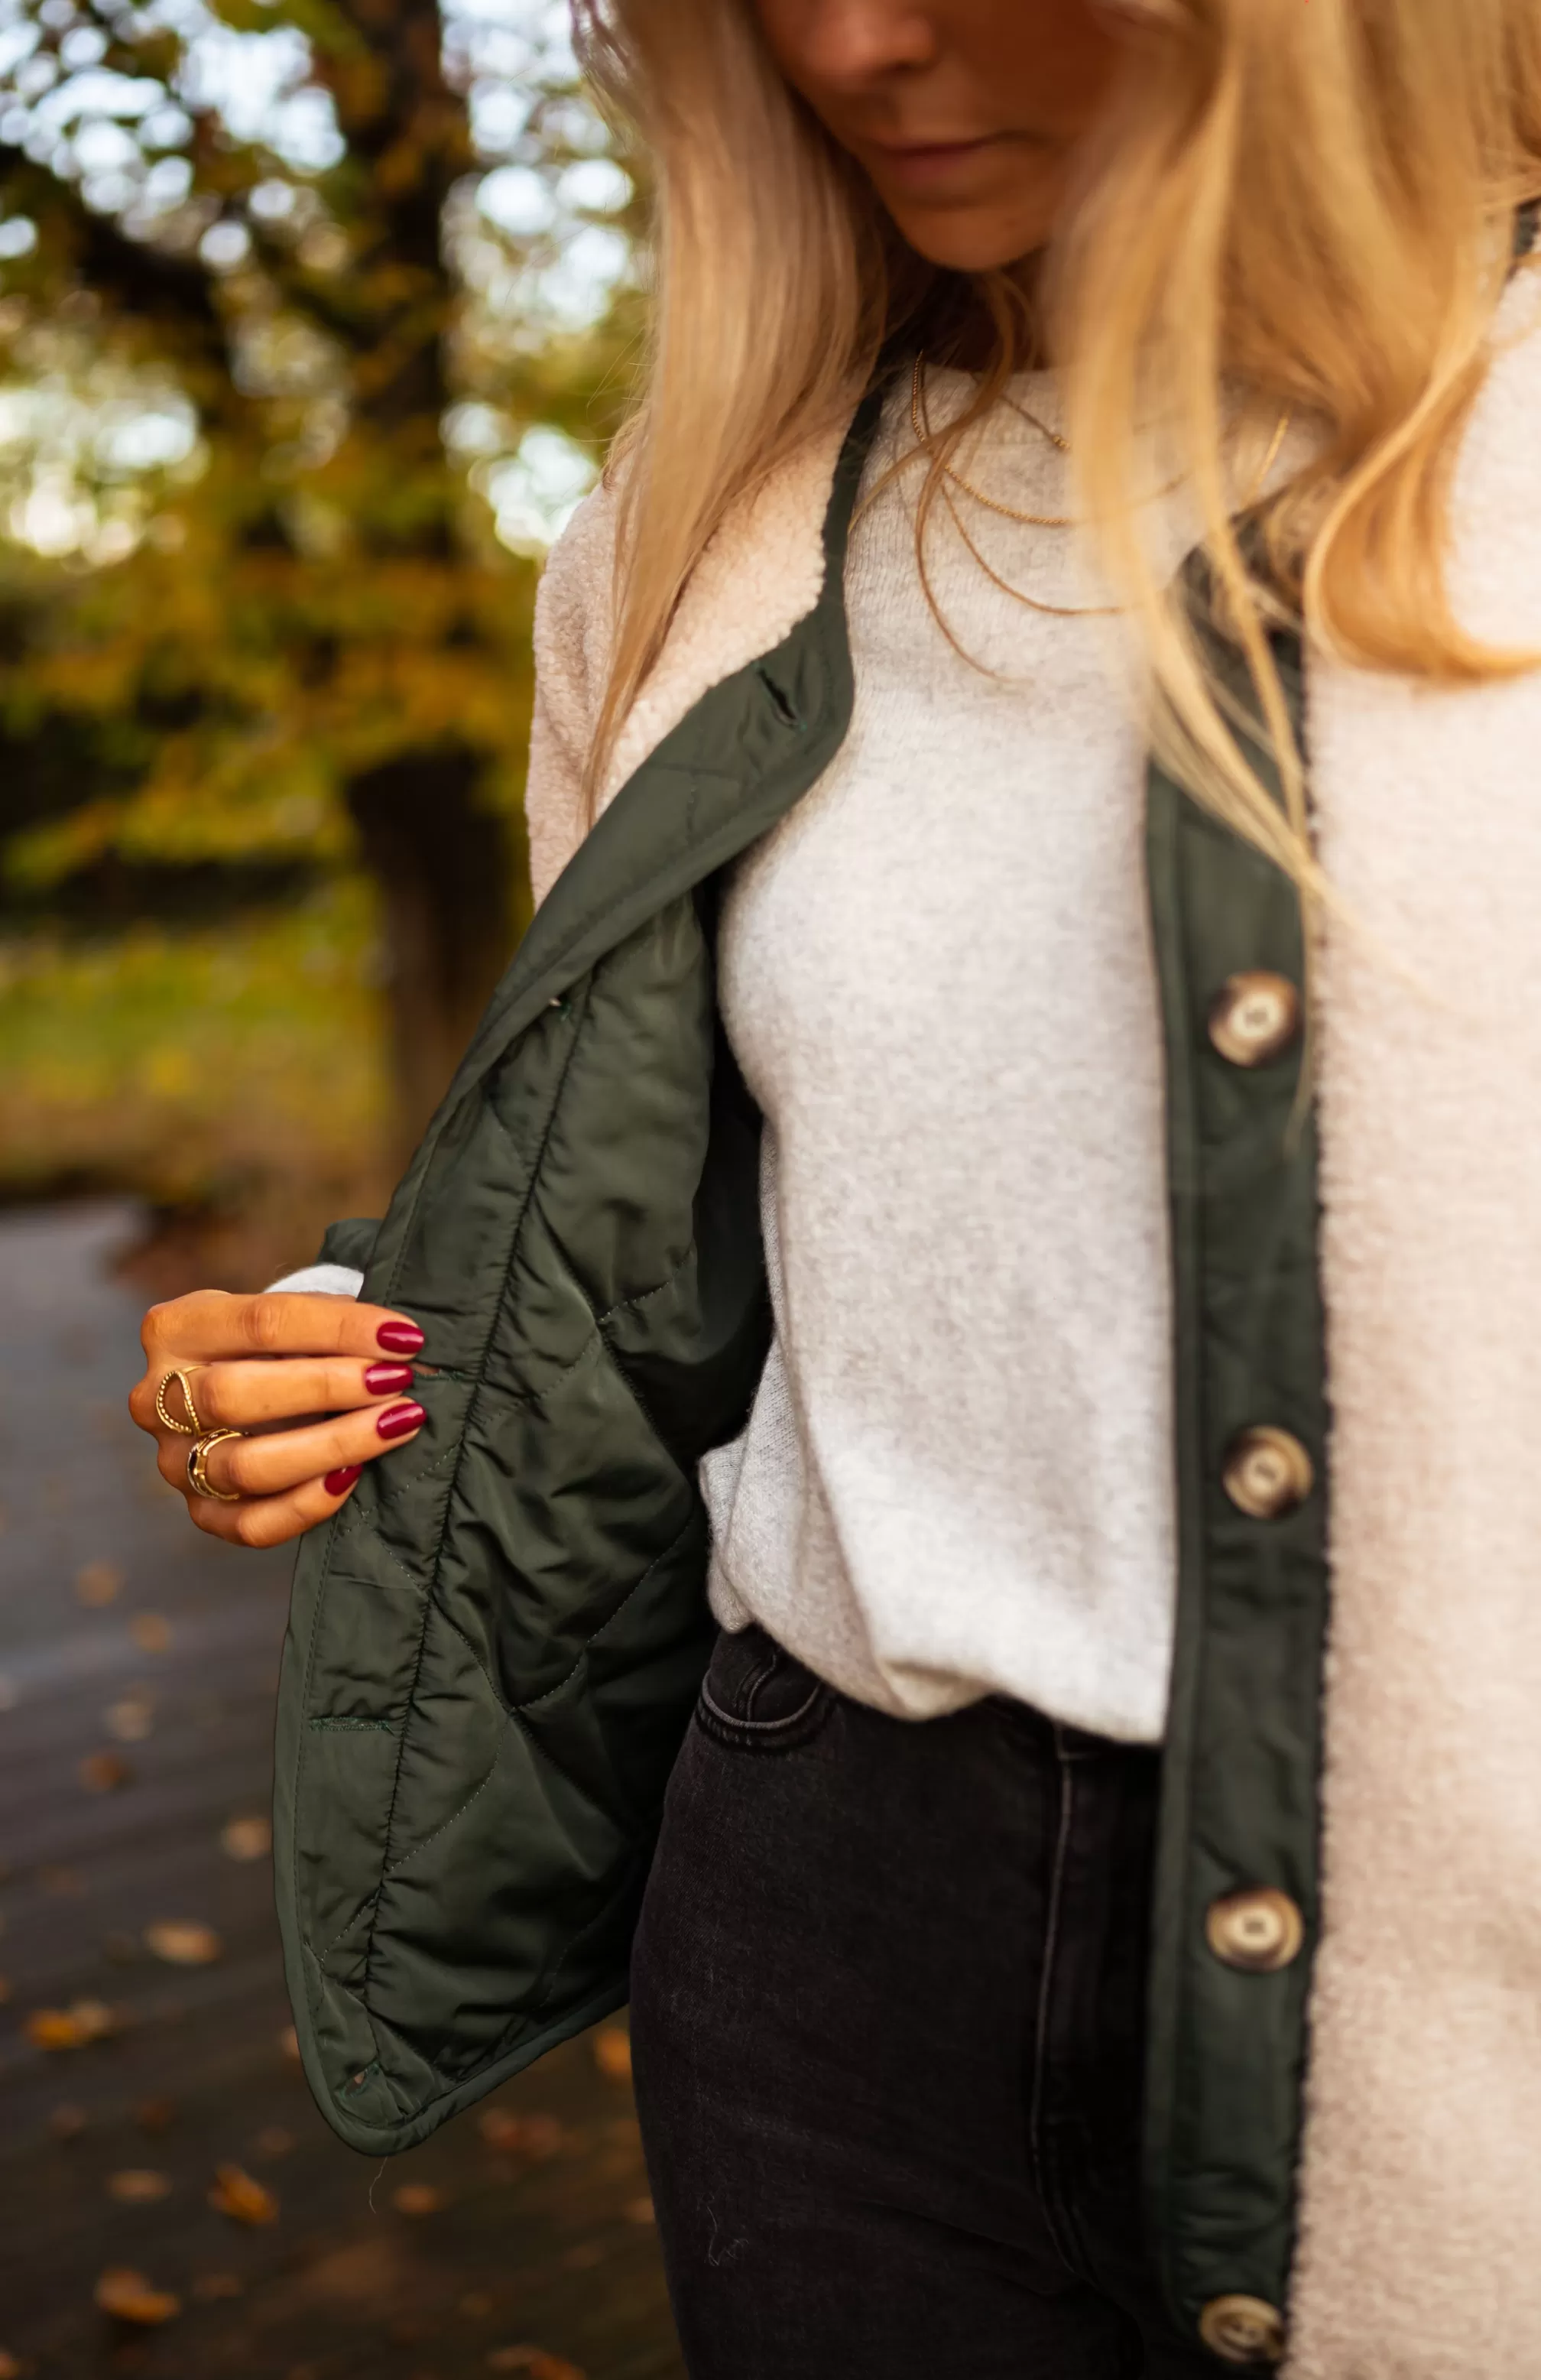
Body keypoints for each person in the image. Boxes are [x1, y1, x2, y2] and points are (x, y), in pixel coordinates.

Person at [129, 3, 1541, 2373]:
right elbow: (760, 1237)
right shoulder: (700, 531)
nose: (858, 40)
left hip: (1451, 1982)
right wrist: (338, 1360)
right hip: (830, 1942)